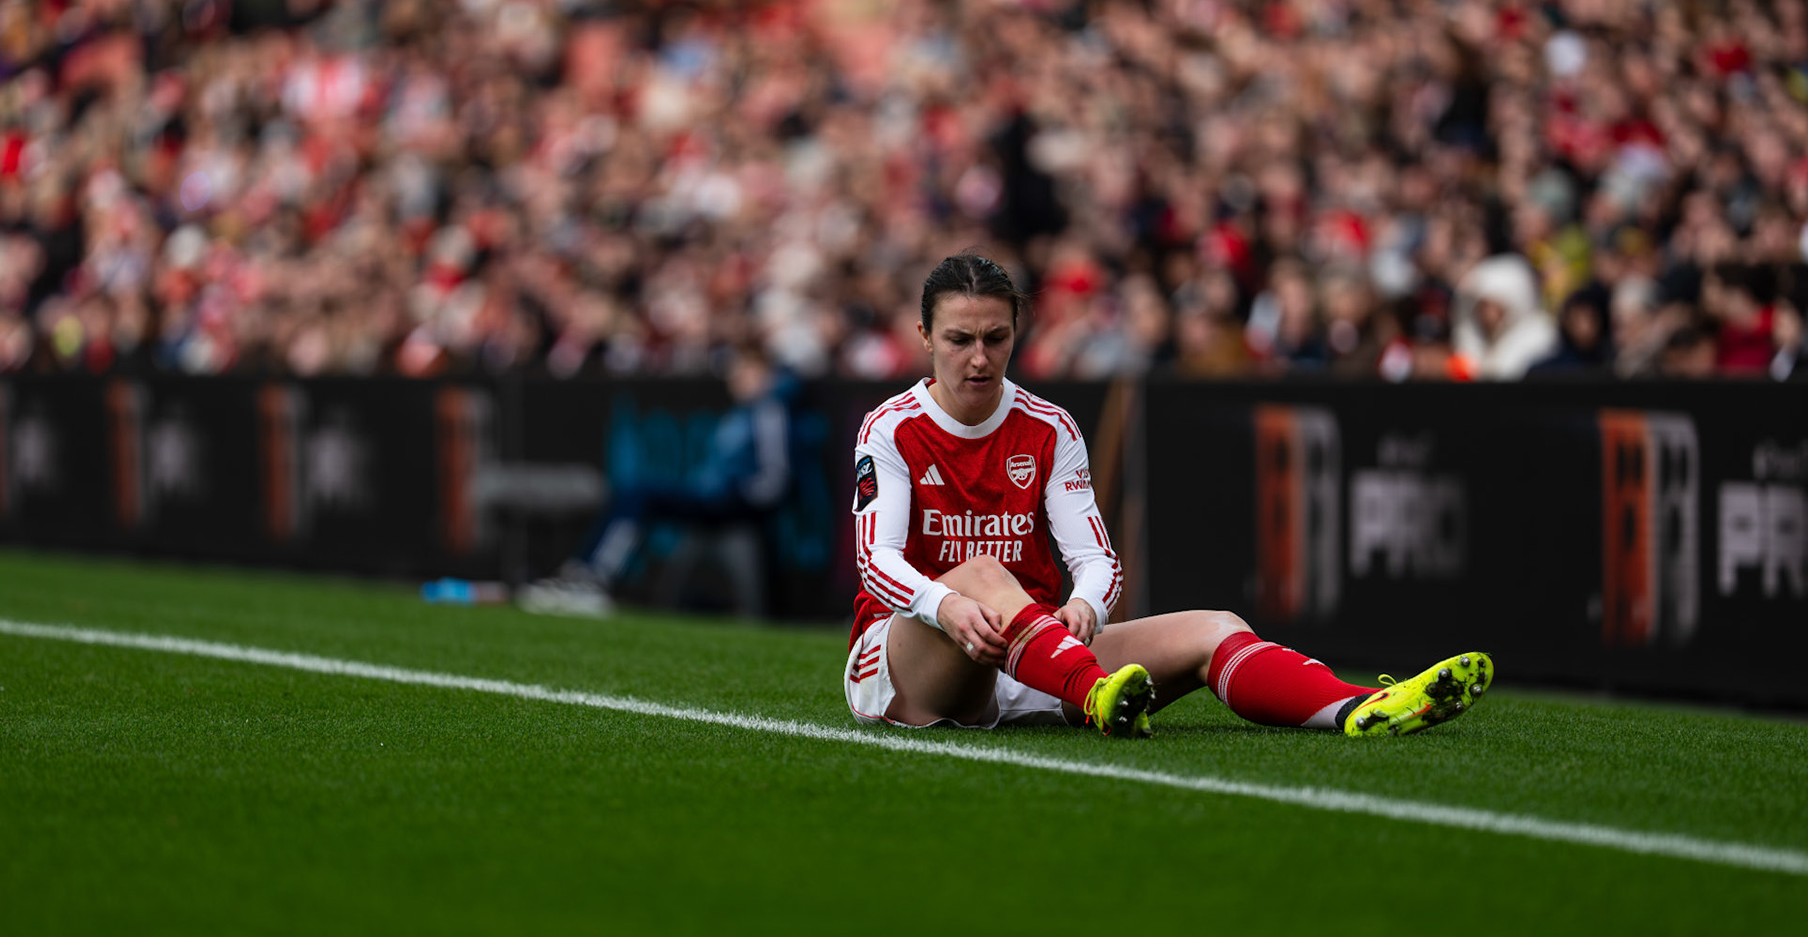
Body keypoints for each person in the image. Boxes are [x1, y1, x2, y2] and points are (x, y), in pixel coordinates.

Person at [846, 254, 1493, 738]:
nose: (980, 359)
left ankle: (1360, 708)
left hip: (1033, 654)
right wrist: (949, 604)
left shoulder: (1049, 425)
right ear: (926, 337)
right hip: (908, 660)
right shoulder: (892, 427)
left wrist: (1085, 607)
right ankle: (1096, 693)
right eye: (960, 340)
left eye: (997, 338)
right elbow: (878, 563)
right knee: (985, 574)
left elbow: (1097, 559)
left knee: (1218, 628)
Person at [522, 345, 794, 616]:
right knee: (633, 492)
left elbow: (774, 476)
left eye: (746, 372)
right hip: (713, 497)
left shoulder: (770, 412)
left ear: (765, 376)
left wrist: (737, 496)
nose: (737, 379)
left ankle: (595, 578)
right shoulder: (740, 414)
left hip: (731, 504)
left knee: (641, 493)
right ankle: (582, 573)